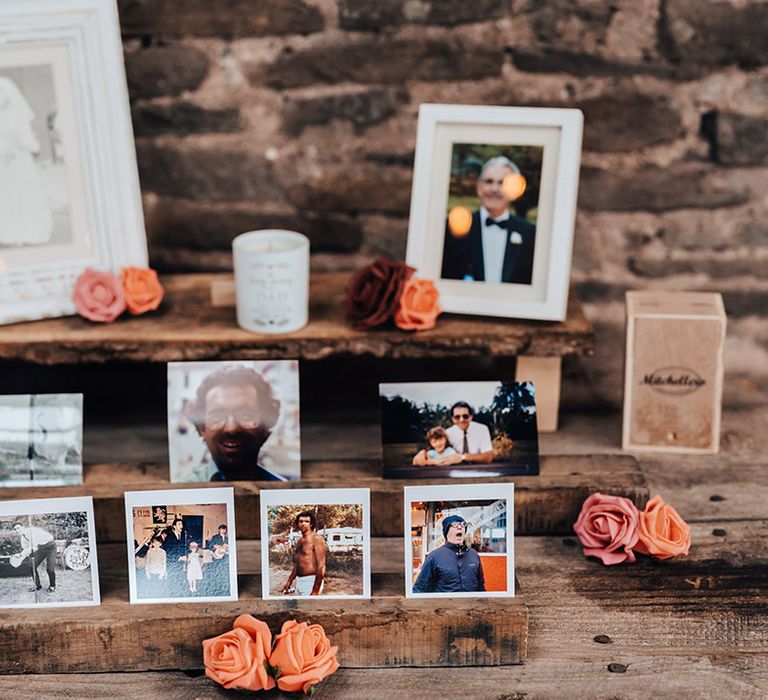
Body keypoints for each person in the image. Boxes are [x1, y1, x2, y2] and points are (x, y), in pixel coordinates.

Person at [441, 156, 535, 285]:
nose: (494, 189)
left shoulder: (529, 232)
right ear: (479, 187)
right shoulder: (454, 227)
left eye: (502, 183)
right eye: (489, 182)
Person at [189, 365, 286, 482]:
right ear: (201, 429)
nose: (231, 428)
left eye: (246, 415)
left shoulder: (285, 492)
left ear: (266, 429)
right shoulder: (181, 493)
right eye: (217, 416)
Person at [0, 77, 54, 247]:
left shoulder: (18, 119)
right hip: (3, 165)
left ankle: (28, 231)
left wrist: (18, 146)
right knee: (7, 197)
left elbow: (31, 144)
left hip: (18, 162)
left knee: (24, 195)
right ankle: (9, 233)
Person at [413, 515, 485, 593]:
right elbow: (419, 588)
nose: (460, 527)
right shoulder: (434, 557)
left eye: (463, 524)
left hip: (472, 604)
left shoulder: (473, 555)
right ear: (446, 531)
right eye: (455, 524)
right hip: (445, 605)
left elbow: (481, 587)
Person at [413, 402, 494, 467]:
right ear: (452, 419)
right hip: (454, 471)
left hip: (479, 469)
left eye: (465, 416)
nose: (461, 420)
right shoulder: (448, 433)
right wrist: (422, 453)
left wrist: (462, 457)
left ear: (471, 417)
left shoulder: (482, 429)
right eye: (457, 417)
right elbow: (435, 449)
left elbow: (488, 457)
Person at [282, 512, 327, 596]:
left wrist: (315, 590)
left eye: (306, 521)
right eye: (301, 521)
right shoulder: (300, 540)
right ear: (297, 523)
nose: (303, 524)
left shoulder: (316, 539)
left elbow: (321, 566)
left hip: (311, 581)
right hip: (299, 581)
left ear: (311, 524)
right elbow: (297, 563)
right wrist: (289, 581)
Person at [13, 522, 57, 593]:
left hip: (50, 546)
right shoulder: (23, 539)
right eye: (15, 529)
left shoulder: (32, 531)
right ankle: (37, 585)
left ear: (23, 526)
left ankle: (52, 586)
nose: (17, 530)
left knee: (50, 569)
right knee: (31, 566)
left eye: (18, 528)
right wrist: (20, 557)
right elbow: (26, 550)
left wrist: (21, 554)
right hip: (40, 548)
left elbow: (33, 547)